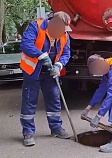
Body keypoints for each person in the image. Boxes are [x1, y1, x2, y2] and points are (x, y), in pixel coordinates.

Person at [20, 11, 72, 146]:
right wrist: (42, 56)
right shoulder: (35, 27)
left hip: (50, 73)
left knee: (54, 99)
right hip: (33, 71)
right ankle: (28, 133)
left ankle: (56, 128)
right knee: (29, 100)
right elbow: (26, 44)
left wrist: (59, 65)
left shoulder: (65, 34)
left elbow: (66, 52)